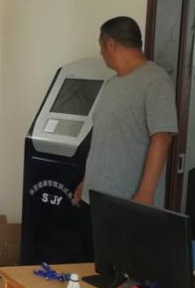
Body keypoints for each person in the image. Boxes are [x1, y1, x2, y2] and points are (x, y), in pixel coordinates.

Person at [73, 16, 179, 257]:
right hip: (95, 197)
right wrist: (87, 180)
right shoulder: (112, 84)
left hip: (127, 202)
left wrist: (146, 194)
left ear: (110, 44)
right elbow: (106, 137)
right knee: (91, 265)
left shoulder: (155, 81)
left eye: (101, 46)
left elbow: (162, 139)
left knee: (122, 269)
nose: (101, 53)